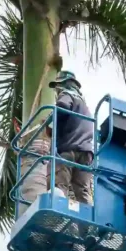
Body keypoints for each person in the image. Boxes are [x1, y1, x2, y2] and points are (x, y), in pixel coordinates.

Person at [48, 70, 95, 205]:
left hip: (69, 149)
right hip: (86, 153)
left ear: (64, 84)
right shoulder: (85, 106)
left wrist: (50, 121)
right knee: (83, 191)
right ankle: (86, 223)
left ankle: (56, 211)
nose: (56, 90)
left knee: (58, 184)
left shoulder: (67, 95)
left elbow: (62, 106)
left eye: (57, 86)